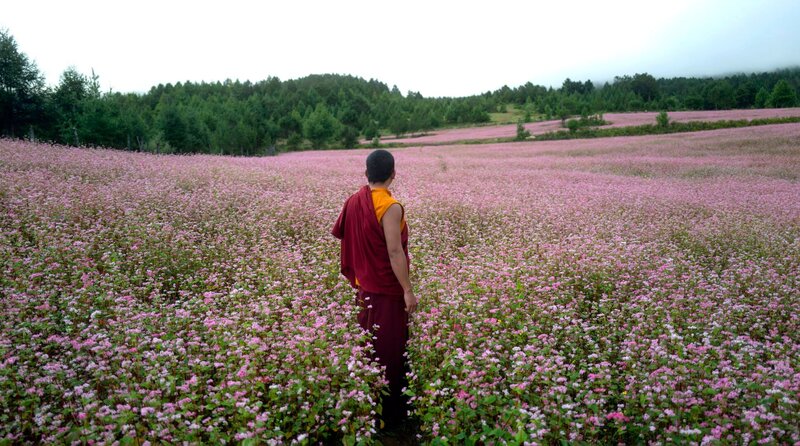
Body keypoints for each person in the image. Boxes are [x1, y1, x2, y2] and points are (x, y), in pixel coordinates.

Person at [331, 149, 418, 429]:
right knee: (390, 350)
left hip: (365, 287)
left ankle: (367, 405)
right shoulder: (390, 206)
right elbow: (394, 251)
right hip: (387, 291)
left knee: (370, 345)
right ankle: (390, 414)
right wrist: (407, 289)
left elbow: (346, 236)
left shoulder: (354, 201)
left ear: (366, 173)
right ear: (394, 174)